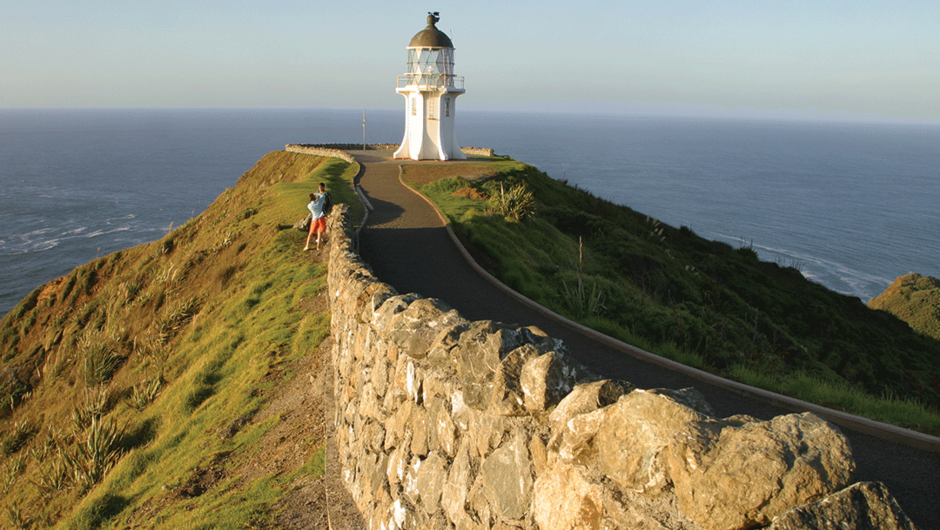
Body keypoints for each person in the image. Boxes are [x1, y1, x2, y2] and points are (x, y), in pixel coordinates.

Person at [304, 183, 328, 251]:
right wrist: (317, 193)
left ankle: (307, 246)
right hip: (321, 218)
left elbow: (310, 205)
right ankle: (318, 247)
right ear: (315, 198)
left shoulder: (309, 206)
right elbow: (323, 195)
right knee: (319, 233)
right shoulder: (320, 202)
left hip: (314, 219)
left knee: (311, 233)